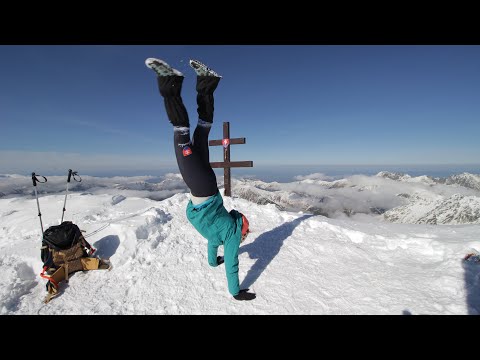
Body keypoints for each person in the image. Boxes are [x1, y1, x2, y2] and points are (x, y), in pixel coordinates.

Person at [146, 57, 256, 301]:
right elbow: (232, 264)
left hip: (208, 185)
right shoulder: (231, 236)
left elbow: (211, 244)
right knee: (181, 132)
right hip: (202, 187)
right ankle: (169, 82)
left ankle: (208, 82)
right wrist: (235, 292)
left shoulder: (223, 232)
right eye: (243, 236)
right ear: (241, 234)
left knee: (202, 131)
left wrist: (212, 261)